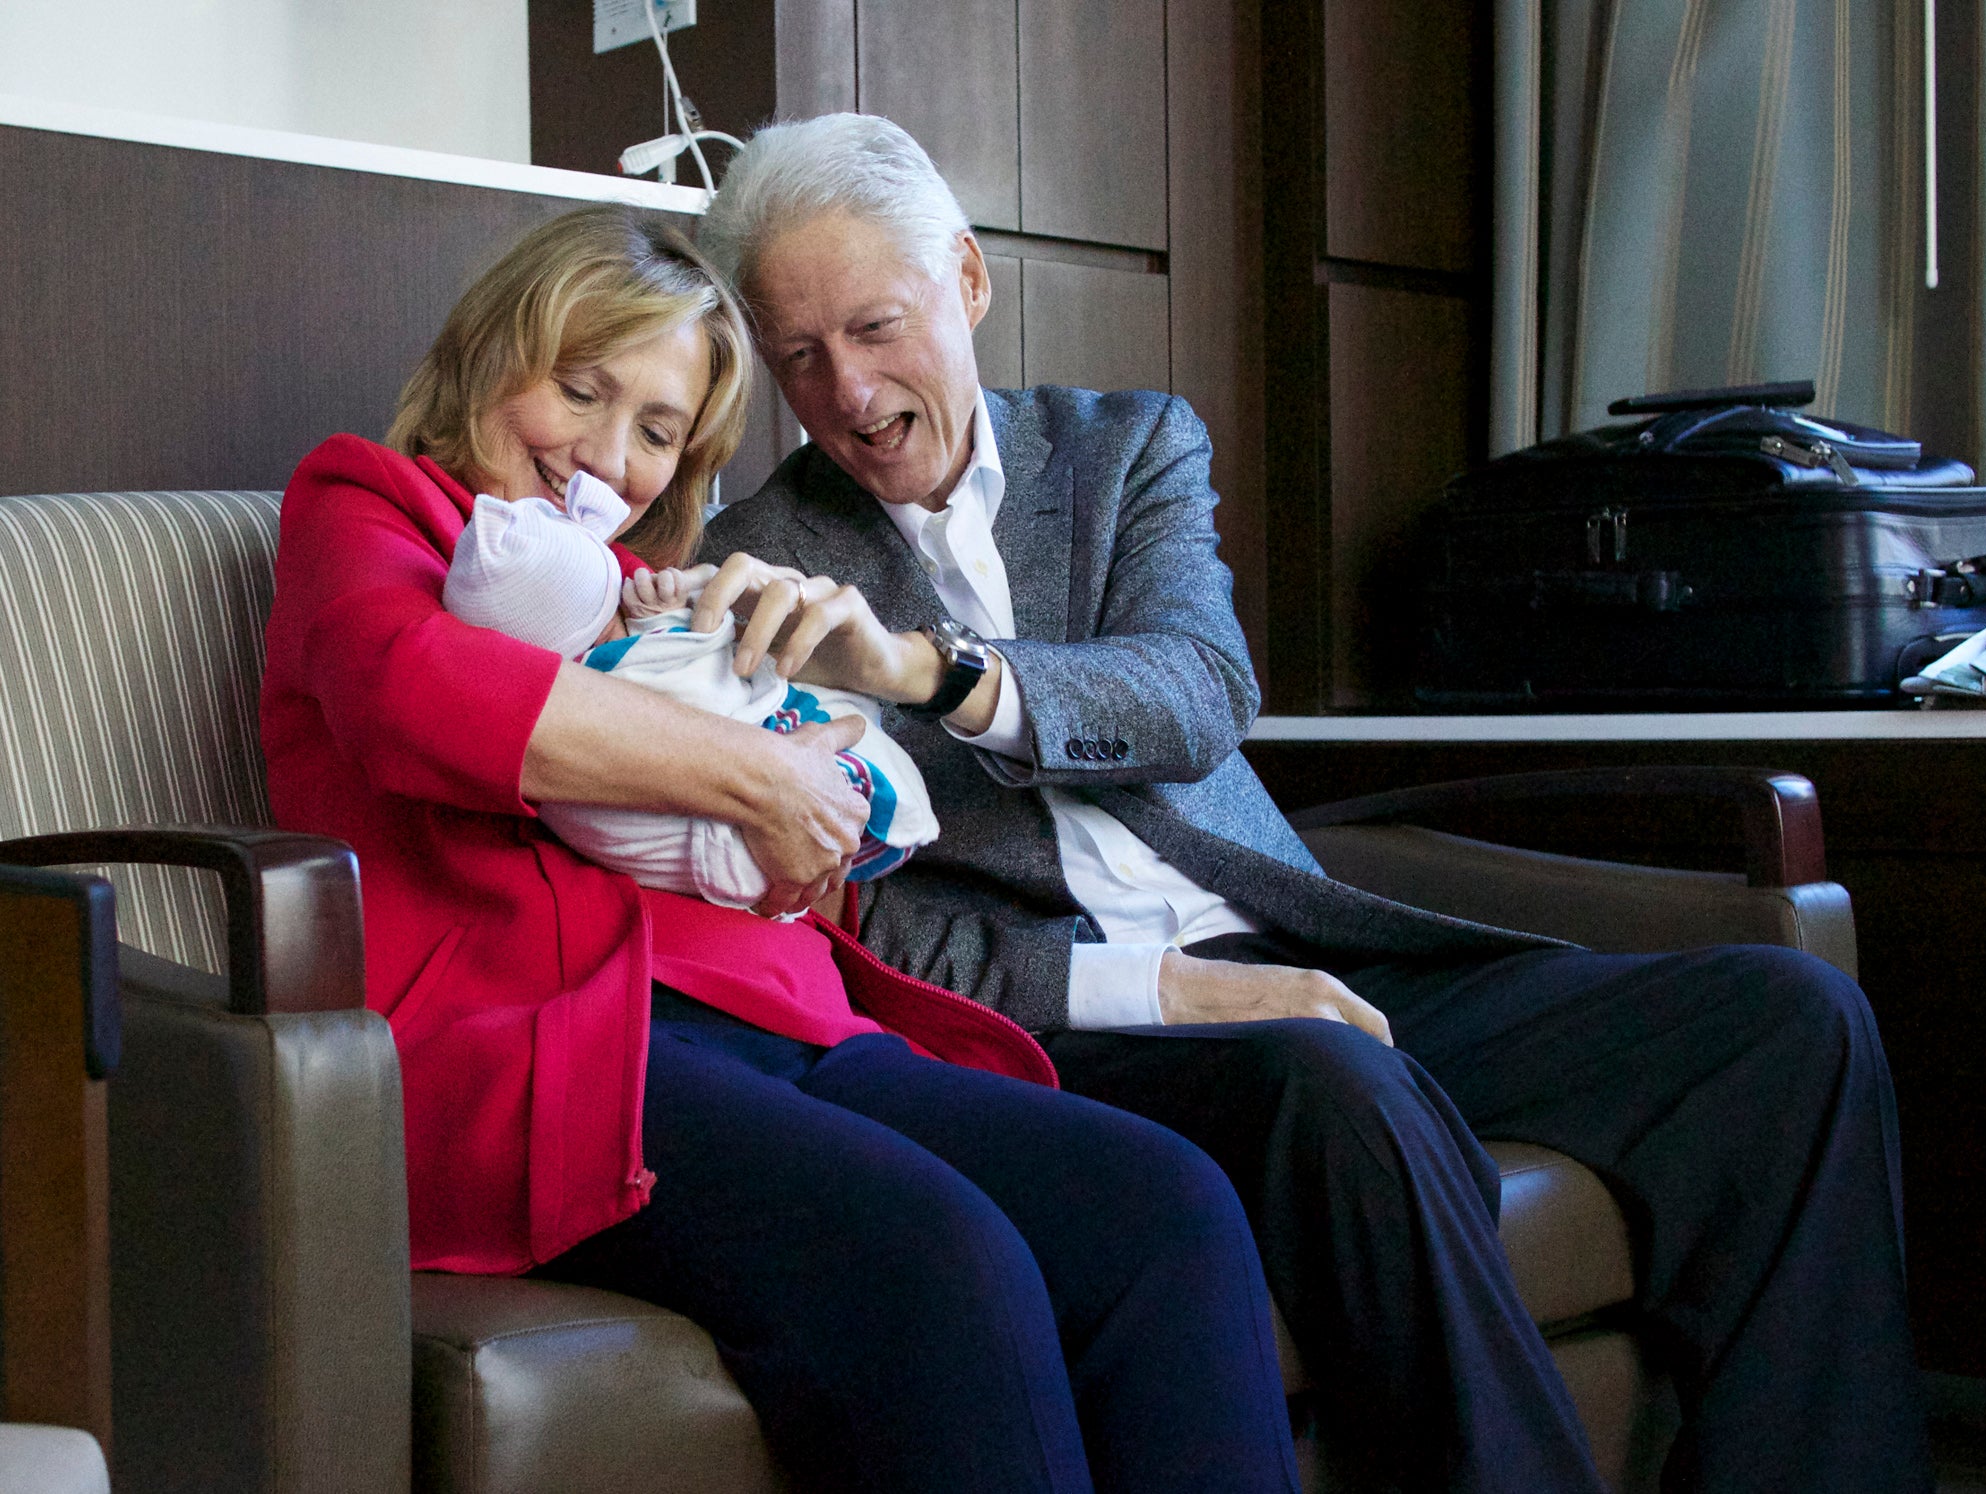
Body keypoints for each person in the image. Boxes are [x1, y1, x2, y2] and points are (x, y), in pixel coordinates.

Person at [694, 113, 1933, 1494]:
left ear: (969, 282)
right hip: (1097, 1029)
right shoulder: (762, 569)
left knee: (1790, 1022)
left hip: (1312, 951)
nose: (848, 391)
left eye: (874, 326)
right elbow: (875, 927)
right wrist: (1173, 989)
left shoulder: (1124, 450)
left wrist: (931, 670)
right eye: (798, 356)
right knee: (1334, 1081)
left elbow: (1198, 689)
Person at [259, 202, 1303, 1493]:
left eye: (656, 430)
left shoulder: (652, 592)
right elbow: (412, 690)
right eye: (580, 389)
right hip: (538, 1046)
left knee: (1166, 1206)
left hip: (777, 1020)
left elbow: (807, 813)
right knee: (939, 1253)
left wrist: (820, 826)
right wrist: (764, 778)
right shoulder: (370, 503)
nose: (603, 452)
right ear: (487, 356)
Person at [440, 472, 937, 906]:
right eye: (578, 395)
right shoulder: (621, 668)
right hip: (769, 847)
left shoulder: (619, 628)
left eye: (656, 435)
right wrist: (683, 619)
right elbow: (696, 670)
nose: (611, 461)